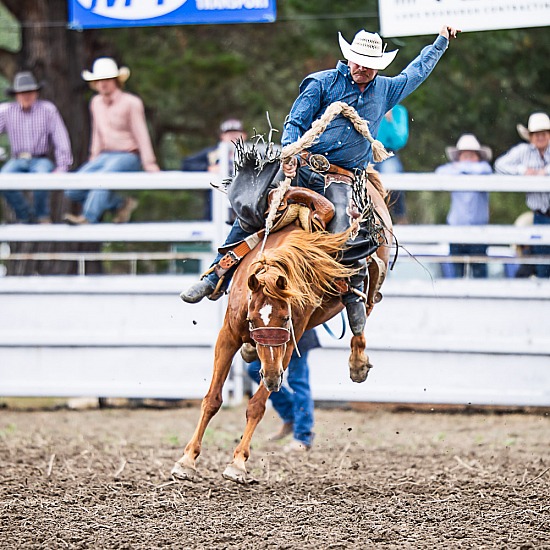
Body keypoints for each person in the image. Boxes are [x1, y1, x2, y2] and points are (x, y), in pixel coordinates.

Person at [181, 25, 460, 335]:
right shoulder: (322, 83)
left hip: (341, 178)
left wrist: (441, 42)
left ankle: (353, 292)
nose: (362, 68)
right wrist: (289, 153)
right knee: (254, 206)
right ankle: (215, 274)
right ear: (349, 58)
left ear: (378, 66)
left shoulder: (385, 90)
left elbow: (417, 71)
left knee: (346, 231)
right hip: (303, 165)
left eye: (369, 64)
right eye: (358, 61)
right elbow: (295, 122)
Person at [63, 58, 160, 225]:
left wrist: (149, 162)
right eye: (99, 80)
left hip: (128, 155)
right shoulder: (96, 103)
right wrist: (94, 156)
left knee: (102, 178)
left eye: (106, 80)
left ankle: (88, 217)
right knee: (72, 188)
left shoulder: (131, 102)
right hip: (105, 155)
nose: (102, 84)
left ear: (115, 81)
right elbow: (97, 133)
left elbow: (141, 133)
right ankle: (120, 204)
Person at [0, 71, 72, 224]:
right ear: (16, 95)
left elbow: (61, 138)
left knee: (42, 178)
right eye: (22, 93)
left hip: (40, 159)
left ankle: (42, 216)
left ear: (36, 93)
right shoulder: (6, 111)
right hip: (17, 159)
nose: (26, 96)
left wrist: (62, 166)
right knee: (3, 180)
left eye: (29, 92)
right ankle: (25, 215)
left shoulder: (47, 110)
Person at [495, 112, 550, 278]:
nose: (539, 137)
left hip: (541, 216)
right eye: (536, 134)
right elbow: (500, 166)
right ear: (531, 137)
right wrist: (524, 171)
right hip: (540, 215)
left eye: (543, 133)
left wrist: (544, 172)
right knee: (542, 263)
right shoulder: (523, 151)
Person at [246, 329, 319, 452]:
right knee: (255, 369)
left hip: (298, 335)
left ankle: (303, 435)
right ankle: (291, 416)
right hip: (273, 338)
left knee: (298, 380)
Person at [435, 134, 493, 278]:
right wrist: (464, 169)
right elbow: (439, 173)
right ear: (458, 157)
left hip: (478, 230)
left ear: (478, 157)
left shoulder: (483, 170)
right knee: (457, 272)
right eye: (464, 155)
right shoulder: (451, 171)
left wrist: (461, 168)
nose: (467, 160)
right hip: (457, 229)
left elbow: (485, 169)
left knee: (480, 272)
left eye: (471, 155)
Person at [182, 118, 248, 222]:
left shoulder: (254, 153)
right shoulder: (212, 153)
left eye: (236, 133)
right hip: (216, 205)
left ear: (244, 135)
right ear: (222, 136)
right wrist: (207, 168)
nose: (233, 136)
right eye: (229, 133)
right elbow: (187, 164)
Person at [375, 104, 409, 223]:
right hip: (367, 153)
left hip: (387, 153)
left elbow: (399, 141)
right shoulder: (369, 105)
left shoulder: (399, 111)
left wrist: (390, 120)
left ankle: (400, 216)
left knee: (392, 175)